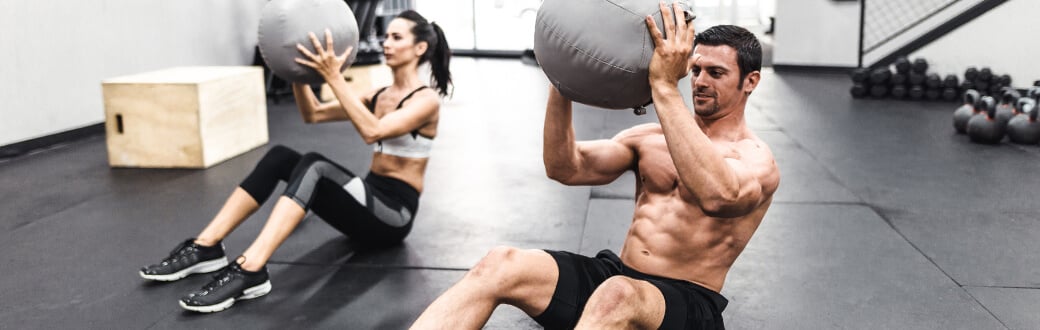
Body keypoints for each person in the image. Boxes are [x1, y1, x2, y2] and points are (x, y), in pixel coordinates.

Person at [410, 3, 778, 329]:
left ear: (751, 81)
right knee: (500, 264)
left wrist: (664, 87)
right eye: (695, 69)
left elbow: (719, 195)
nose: (699, 81)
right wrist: (562, 79)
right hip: (619, 279)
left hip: (687, 302)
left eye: (716, 73)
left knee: (617, 295)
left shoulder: (754, 159)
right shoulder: (648, 138)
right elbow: (565, 167)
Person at [138, 10, 451, 313]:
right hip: (366, 202)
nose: (386, 42)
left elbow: (373, 131)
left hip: (393, 215)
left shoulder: (425, 100)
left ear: (420, 48)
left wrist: (333, 76)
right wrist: (295, 69)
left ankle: (251, 269)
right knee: (281, 157)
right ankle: (206, 246)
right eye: (387, 35)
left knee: (316, 164)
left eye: (396, 37)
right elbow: (312, 113)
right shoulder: (379, 94)